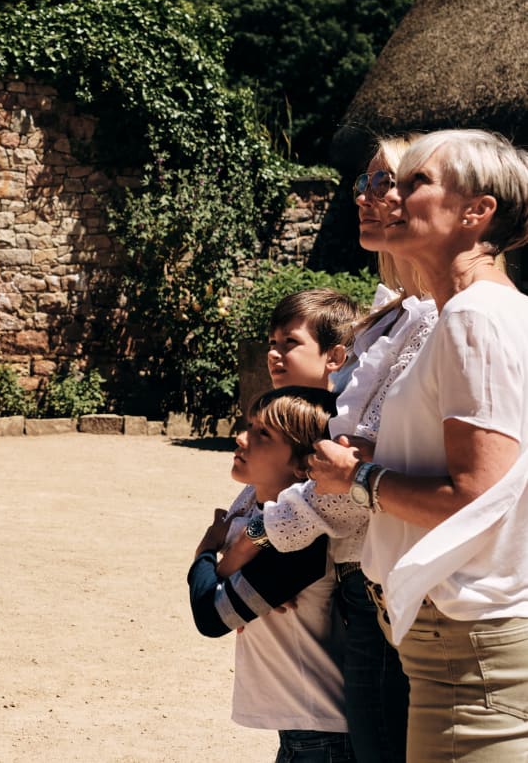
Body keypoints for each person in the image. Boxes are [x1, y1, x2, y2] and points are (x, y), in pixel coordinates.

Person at [310, 129, 528, 762]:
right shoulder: (487, 310)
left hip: (470, 646)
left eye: (413, 183)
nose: (390, 197)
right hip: (460, 642)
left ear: (476, 211)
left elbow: (472, 497)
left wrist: (357, 476)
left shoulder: (472, 317)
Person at [221, 136, 437, 762]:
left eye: (386, 182)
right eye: (363, 184)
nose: (367, 197)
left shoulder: (438, 322)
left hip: (382, 585)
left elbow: (353, 482)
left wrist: (257, 537)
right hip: (357, 585)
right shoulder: (389, 316)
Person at [188, 386, 354, 763]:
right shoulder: (255, 508)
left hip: (319, 729)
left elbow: (210, 616)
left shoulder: (297, 539)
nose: (241, 437)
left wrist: (204, 554)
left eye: (263, 434)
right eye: (249, 425)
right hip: (305, 726)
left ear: (302, 464)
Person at [266, 289, 359, 390]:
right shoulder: (266, 405)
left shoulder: (357, 405)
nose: (272, 354)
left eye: (290, 341)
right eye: (273, 342)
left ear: (334, 357)